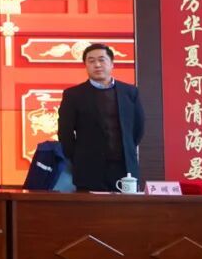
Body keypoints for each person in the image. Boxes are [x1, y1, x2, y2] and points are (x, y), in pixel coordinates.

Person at [57, 43, 146, 191]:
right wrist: (78, 158)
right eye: (91, 61)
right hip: (88, 169)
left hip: (124, 168)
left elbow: (138, 128)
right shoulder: (73, 95)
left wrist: (127, 148)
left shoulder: (130, 92)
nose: (97, 65)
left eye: (101, 60)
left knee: (126, 206)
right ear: (85, 65)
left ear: (112, 63)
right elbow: (65, 133)